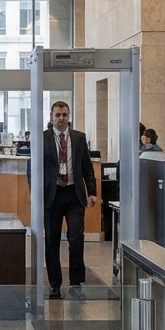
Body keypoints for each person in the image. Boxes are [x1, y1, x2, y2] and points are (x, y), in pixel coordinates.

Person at [32, 101, 97, 301]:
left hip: (74, 195)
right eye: (58, 115)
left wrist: (92, 191)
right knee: (51, 240)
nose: (61, 118)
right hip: (52, 195)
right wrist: (35, 194)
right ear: (51, 117)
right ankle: (54, 285)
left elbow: (86, 166)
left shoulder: (78, 138)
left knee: (76, 239)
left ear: (69, 116)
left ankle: (76, 283)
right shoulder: (41, 138)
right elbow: (32, 169)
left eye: (64, 115)